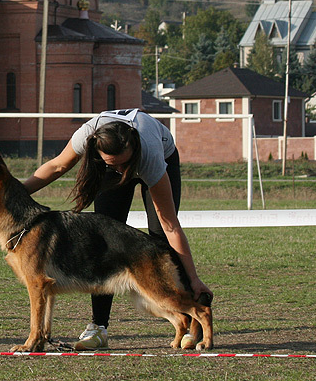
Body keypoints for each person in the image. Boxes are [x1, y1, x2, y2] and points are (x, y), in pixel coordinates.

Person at [22, 108, 212, 350]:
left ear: (132, 151)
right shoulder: (88, 136)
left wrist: (194, 279)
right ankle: (98, 328)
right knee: (103, 243)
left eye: (124, 164)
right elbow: (57, 166)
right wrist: (15, 194)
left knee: (159, 238)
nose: (122, 172)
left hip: (157, 156)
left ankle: (191, 320)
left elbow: (171, 225)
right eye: (114, 164)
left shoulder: (150, 156)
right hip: (115, 162)